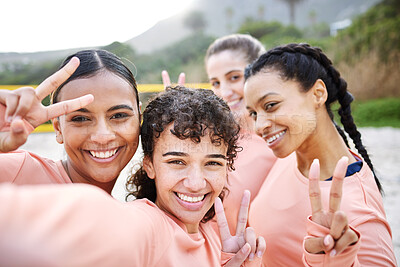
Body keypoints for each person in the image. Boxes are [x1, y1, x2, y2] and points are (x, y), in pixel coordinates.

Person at [0, 87, 265, 266]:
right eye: (176, 161)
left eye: (212, 163)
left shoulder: (213, 231)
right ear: (149, 165)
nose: (195, 183)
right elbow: (96, 226)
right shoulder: (150, 226)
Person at [244, 43, 396, 266]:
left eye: (271, 105)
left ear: (318, 94)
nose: (260, 126)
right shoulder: (290, 154)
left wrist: (339, 261)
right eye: (254, 113)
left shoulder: (356, 209)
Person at [163, 34, 277, 236]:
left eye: (234, 77)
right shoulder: (211, 139)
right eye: (215, 83)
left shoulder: (282, 144)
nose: (224, 91)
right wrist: (171, 127)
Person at [0, 49, 141, 194]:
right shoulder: (20, 173)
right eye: (80, 119)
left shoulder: (137, 210)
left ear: (140, 118)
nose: (102, 137)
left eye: (118, 116)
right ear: (58, 128)